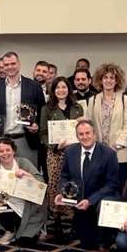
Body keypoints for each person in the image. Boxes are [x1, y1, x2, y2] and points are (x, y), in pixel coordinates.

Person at [55, 119, 120, 252]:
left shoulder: (109, 154)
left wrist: (90, 200)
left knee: (104, 205)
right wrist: (63, 193)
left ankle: (104, 244)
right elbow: (64, 176)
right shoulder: (70, 152)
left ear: (95, 134)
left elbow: (112, 184)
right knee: (87, 243)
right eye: (81, 134)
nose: (85, 137)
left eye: (88, 133)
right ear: (77, 136)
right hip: (80, 201)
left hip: (100, 199)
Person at [38, 76, 83, 242]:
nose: (61, 90)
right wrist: (55, 146)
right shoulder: (47, 109)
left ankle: (70, 224)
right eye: (57, 88)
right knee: (55, 186)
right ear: (53, 91)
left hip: (75, 153)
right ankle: (55, 224)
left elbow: (82, 130)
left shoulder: (77, 108)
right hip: (56, 154)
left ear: (68, 89)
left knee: (72, 185)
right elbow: (43, 133)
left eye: (64, 87)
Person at [0, 51, 45, 168]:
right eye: (6, 65)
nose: (10, 67)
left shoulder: (33, 86)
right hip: (2, 140)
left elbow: (42, 111)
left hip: (26, 139)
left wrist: (37, 125)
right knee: (3, 176)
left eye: (13, 63)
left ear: (19, 64)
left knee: (29, 175)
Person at [0, 138, 46, 246]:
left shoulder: (24, 162)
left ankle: (36, 229)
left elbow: (41, 183)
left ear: (14, 151)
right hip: (7, 205)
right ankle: (10, 230)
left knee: (26, 242)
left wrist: (27, 175)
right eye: (1, 151)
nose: (5, 153)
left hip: (29, 206)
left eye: (8, 150)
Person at [82, 63, 127, 184]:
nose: (108, 80)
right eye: (105, 77)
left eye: (112, 78)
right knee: (100, 186)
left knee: (119, 186)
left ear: (117, 81)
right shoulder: (93, 100)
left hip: (119, 153)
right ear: (100, 80)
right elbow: (89, 124)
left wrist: (116, 146)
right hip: (99, 152)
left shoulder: (126, 100)